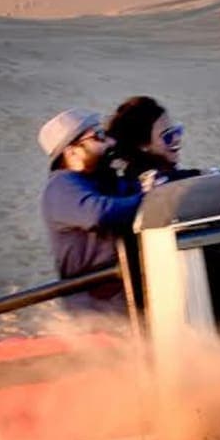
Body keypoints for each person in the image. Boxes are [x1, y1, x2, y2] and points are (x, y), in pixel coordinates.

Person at [38, 107, 142, 315]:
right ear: (72, 152)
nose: (110, 143)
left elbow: (131, 193)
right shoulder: (60, 186)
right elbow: (99, 214)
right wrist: (151, 198)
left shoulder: (100, 181)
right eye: (99, 136)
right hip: (99, 311)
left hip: (124, 299)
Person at [106, 95, 201, 191]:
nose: (176, 138)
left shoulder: (170, 172)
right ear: (143, 145)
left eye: (176, 131)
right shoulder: (146, 184)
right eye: (167, 136)